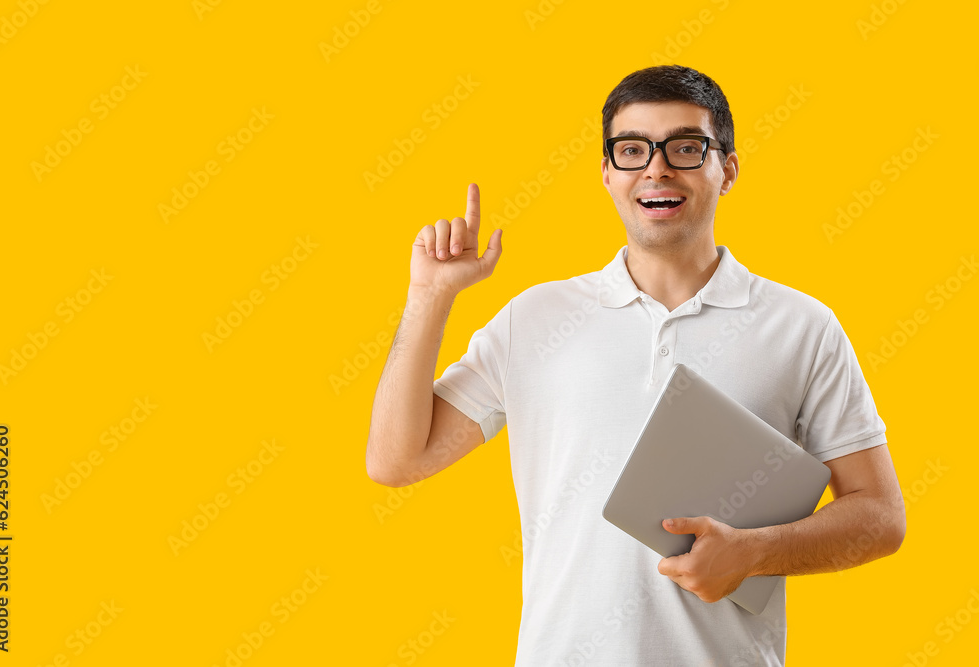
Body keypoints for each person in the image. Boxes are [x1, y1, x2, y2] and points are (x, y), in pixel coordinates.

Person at [365, 64, 905, 666]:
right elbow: (396, 460)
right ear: (607, 173)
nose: (656, 168)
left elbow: (880, 517)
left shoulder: (802, 327)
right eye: (632, 150)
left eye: (684, 147)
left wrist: (755, 551)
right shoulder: (535, 318)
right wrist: (428, 297)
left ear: (726, 169)